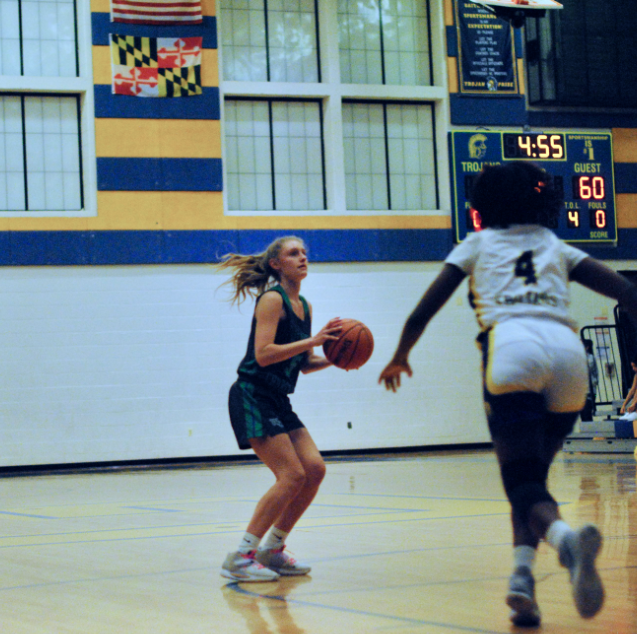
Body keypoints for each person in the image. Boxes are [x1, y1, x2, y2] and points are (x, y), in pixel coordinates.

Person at [379, 161, 637, 626]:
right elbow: (627, 291)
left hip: (513, 349)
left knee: (521, 483)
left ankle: (566, 543)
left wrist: (400, 355)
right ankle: (521, 582)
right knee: (532, 479)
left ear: (483, 205)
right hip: (569, 357)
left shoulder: (476, 242)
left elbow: (422, 312)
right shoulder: (555, 245)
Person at [217, 236, 342, 582]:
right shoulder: (272, 300)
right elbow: (264, 354)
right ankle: (241, 556)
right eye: (293, 253)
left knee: (314, 469)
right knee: (291, 476)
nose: (303, 258)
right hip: (252, 394)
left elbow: (302, 362)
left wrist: (334, 358)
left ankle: (271, 549)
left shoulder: (304, 304)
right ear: (276, 264)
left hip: (278, 399)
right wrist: (314, 340)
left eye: (304, 252)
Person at [581, 339, 598, 421]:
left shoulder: (590, 358)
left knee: (587, 411)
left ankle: (590, 432)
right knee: (583, 414)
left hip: (590, 390)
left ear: (586, 347)